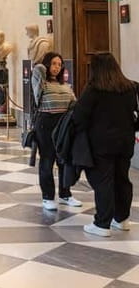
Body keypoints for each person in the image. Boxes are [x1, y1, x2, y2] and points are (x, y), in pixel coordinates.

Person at [72, 52, 136, 237]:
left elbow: (79, 116)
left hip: (101, 143)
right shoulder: (129, 88)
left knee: (103, 181)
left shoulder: (94, 89)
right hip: (125, 142)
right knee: (122, 179)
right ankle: (122, 219)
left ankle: (102, 223)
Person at [31, 52, 82, 211]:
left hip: (63, 126)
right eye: (53, 63)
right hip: (45, 124)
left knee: (64, 161)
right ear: (47, 64)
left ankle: (65, 194)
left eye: (60, 65)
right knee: (47, 160)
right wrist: (44, 62)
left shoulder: (65, 85)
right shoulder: (40, 82)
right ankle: (47, 197)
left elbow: (74, 104)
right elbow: (38, 68)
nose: (56, 67)